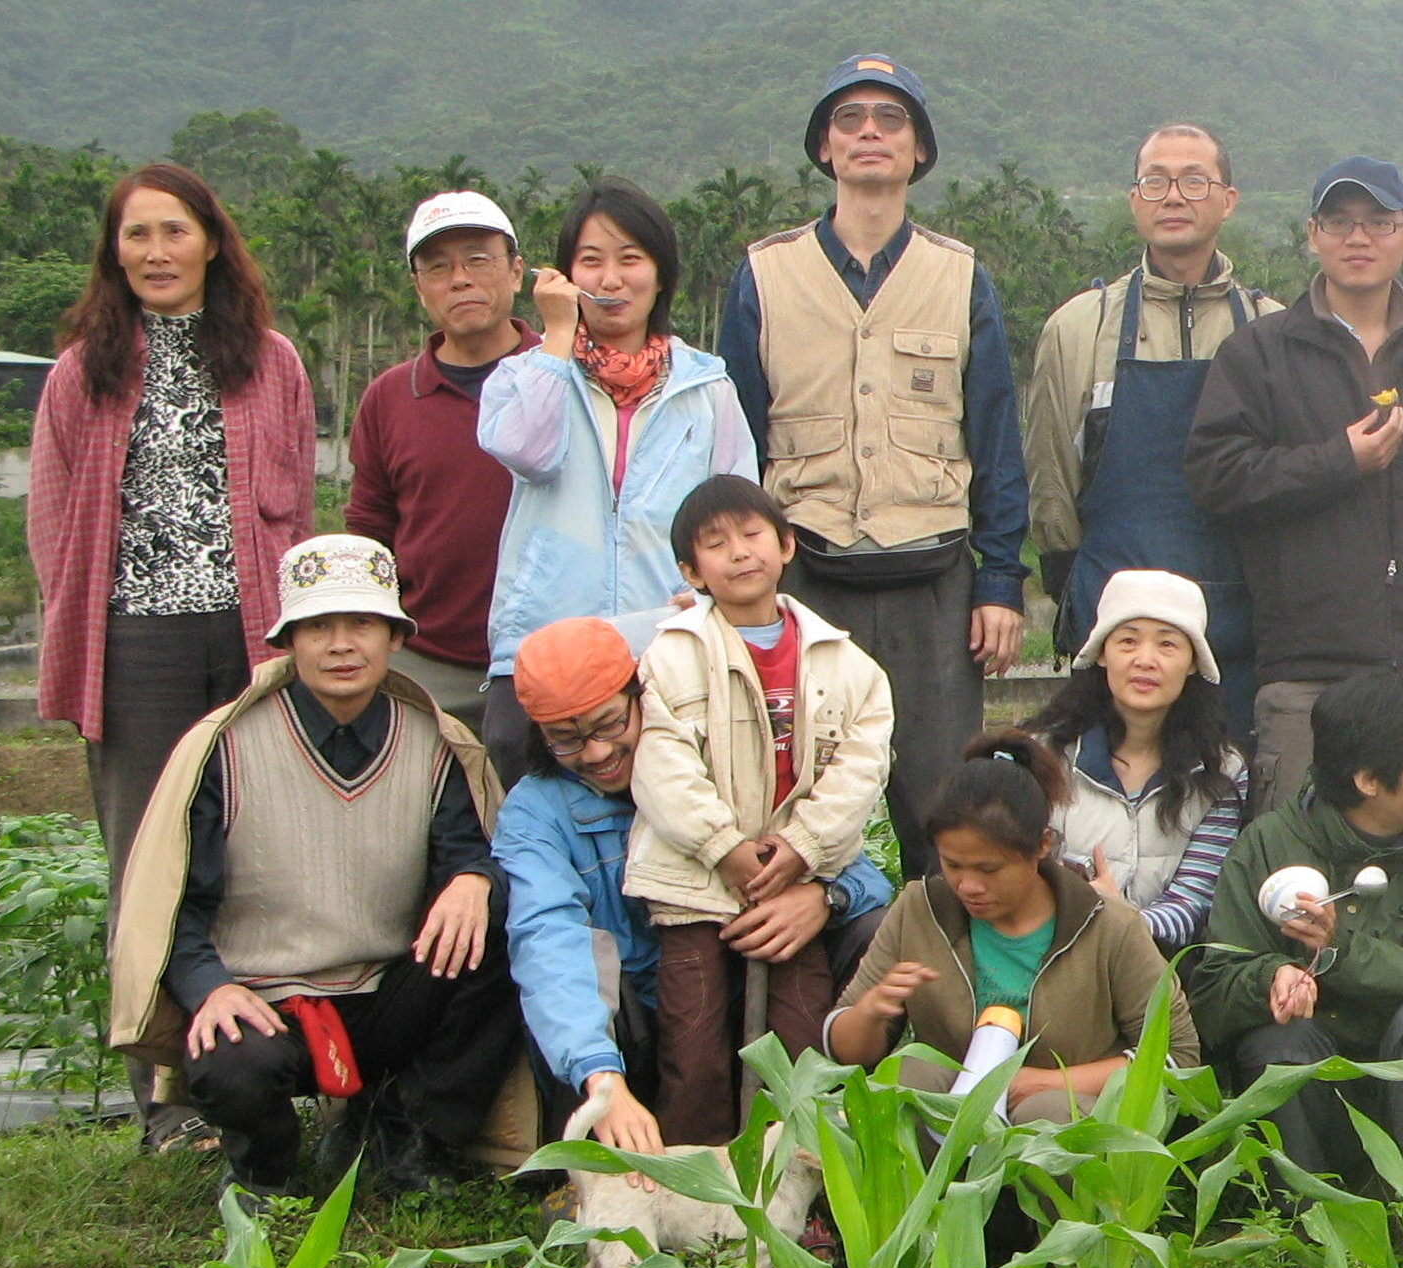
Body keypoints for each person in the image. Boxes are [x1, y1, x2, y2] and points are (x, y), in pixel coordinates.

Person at [27, 163, 316, 1140]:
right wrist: (81, 628)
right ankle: (160, 1093)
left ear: (212, 242)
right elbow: (52, 522)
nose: (156, 251)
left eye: (175, 231)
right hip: (134, 642)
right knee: (146, 860)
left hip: (247, 632)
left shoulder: (271, 362)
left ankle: (250, 1073)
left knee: (252, 850)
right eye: (137, 234)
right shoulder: (82, 372)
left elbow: (295, 508)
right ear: (115, 252)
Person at [101, 538, 518, 1200]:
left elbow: (467, 850)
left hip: (387, 993)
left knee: (500, 927)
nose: (341, 644)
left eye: (362, 623)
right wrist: (211, 989)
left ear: (394, 636)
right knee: (233, 1061)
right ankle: (265, 1170)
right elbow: (177, 903)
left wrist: (475, 878)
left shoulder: (434, 742)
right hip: (265, 1001)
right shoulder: (224, 747)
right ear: (288, 640)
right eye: (319, 626)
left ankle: (407, 1130)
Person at [718, 54, 1029, 866]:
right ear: (824, 146)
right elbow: (735, 444)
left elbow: (996, 438)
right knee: (791, 804)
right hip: (805, 577)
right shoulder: (764, 275)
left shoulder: (960, 277)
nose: (869, 133)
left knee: (945, 811)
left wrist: (1000, 581)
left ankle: (947, 950)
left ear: (918, 149)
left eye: (891, 119)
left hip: (933, 582)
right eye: (848, 118)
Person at [496, 615, 894, 1157]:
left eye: (610, 724)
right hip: (638, 1025)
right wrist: (598, 1075)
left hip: (753, 985)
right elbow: (546, 938)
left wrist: (824, 897)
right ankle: (621, 1140)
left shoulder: (710, 762)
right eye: (565, 740)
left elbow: (857, 868)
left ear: (644, 696)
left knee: (873, 929)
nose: (595, 752)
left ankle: (829, 1124)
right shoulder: (535, 810)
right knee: (582, 989)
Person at [1185, 156, 1403, 811]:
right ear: (1313, 234)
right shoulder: (1260, 352)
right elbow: (1217, 479)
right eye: (1339, 221)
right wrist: (1339, 461)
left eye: (1379, 222)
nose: (1358, 238)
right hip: (1308, 670)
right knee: (1298, 856)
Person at [623, 477, 899, 1143]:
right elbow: (661, 765)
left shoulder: (847, 663)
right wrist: (723, 846)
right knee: (693, 1044)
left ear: (786, 545)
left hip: (793, 884)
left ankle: (796, 1176)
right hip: (695, 885)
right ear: (692, 571)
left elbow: (860, 769)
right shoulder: (671, 653)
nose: (739, 552)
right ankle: (697, 1181)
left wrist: (802, 848)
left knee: (800, 1038)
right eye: (715, 544)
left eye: (752, 535)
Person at [1187, 670, 1403, 1203]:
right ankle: (1302, 1220)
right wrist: (1270, 979)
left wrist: (1340, 951)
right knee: (1279, 1041)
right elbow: (1213, 990)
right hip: (1315, 1088)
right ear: (1369, 780)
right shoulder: (1268, 844)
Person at [479, 181, 758, 763]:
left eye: (630, 259)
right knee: (539, 802)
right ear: (564, 276)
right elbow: (530, 454)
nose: (610, 280)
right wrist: (559, 336)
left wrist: (705, 600)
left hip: (664, 644)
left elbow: (738, 513)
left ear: (660, 274)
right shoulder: (524, 376)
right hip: (544, 645)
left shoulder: (706, 389)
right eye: (591, 261)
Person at [1024, 122, 1276, 738]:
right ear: (1134, 199)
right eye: (1156, 181)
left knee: (1231, 784)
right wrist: (1074, 592)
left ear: (1228, 200)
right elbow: (1051, 477)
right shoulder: (1079, 328)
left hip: (1238, 620)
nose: (1174, 196)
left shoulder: (1271, 329)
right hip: (1115, 620)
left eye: (1195, 181)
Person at [830, 730, 1199, 1122]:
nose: (967, 886)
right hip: (950, 1110)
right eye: (952, 865)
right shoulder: (920, 911)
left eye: (989, 869)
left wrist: (1052, 1082)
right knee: (907, 1077)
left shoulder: (1109, 926)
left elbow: (1177, 1055)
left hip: (1067, 1120)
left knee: (1046, 1113)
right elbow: (844, 1050)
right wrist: (870, 1012)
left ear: (1041, 846)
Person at [347, 191, 533, 728]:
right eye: (438, 267)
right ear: (419, 286)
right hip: (426, 665)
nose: (460, 280)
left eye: (478, 260)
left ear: (516, 271)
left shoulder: (563, 376)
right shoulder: (389, 398)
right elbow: (370, 530)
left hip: (550, 654)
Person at [1026, 567, 1250, 953]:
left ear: (1194, 662)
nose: (1145, 660)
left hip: (1158, 965)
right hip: (1047, 952)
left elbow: (1194, 901)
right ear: (1101, 653)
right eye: (1128, 641)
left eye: (1167, 645)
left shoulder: (1222, 771)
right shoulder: (1040, 754)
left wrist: (1117, 917)